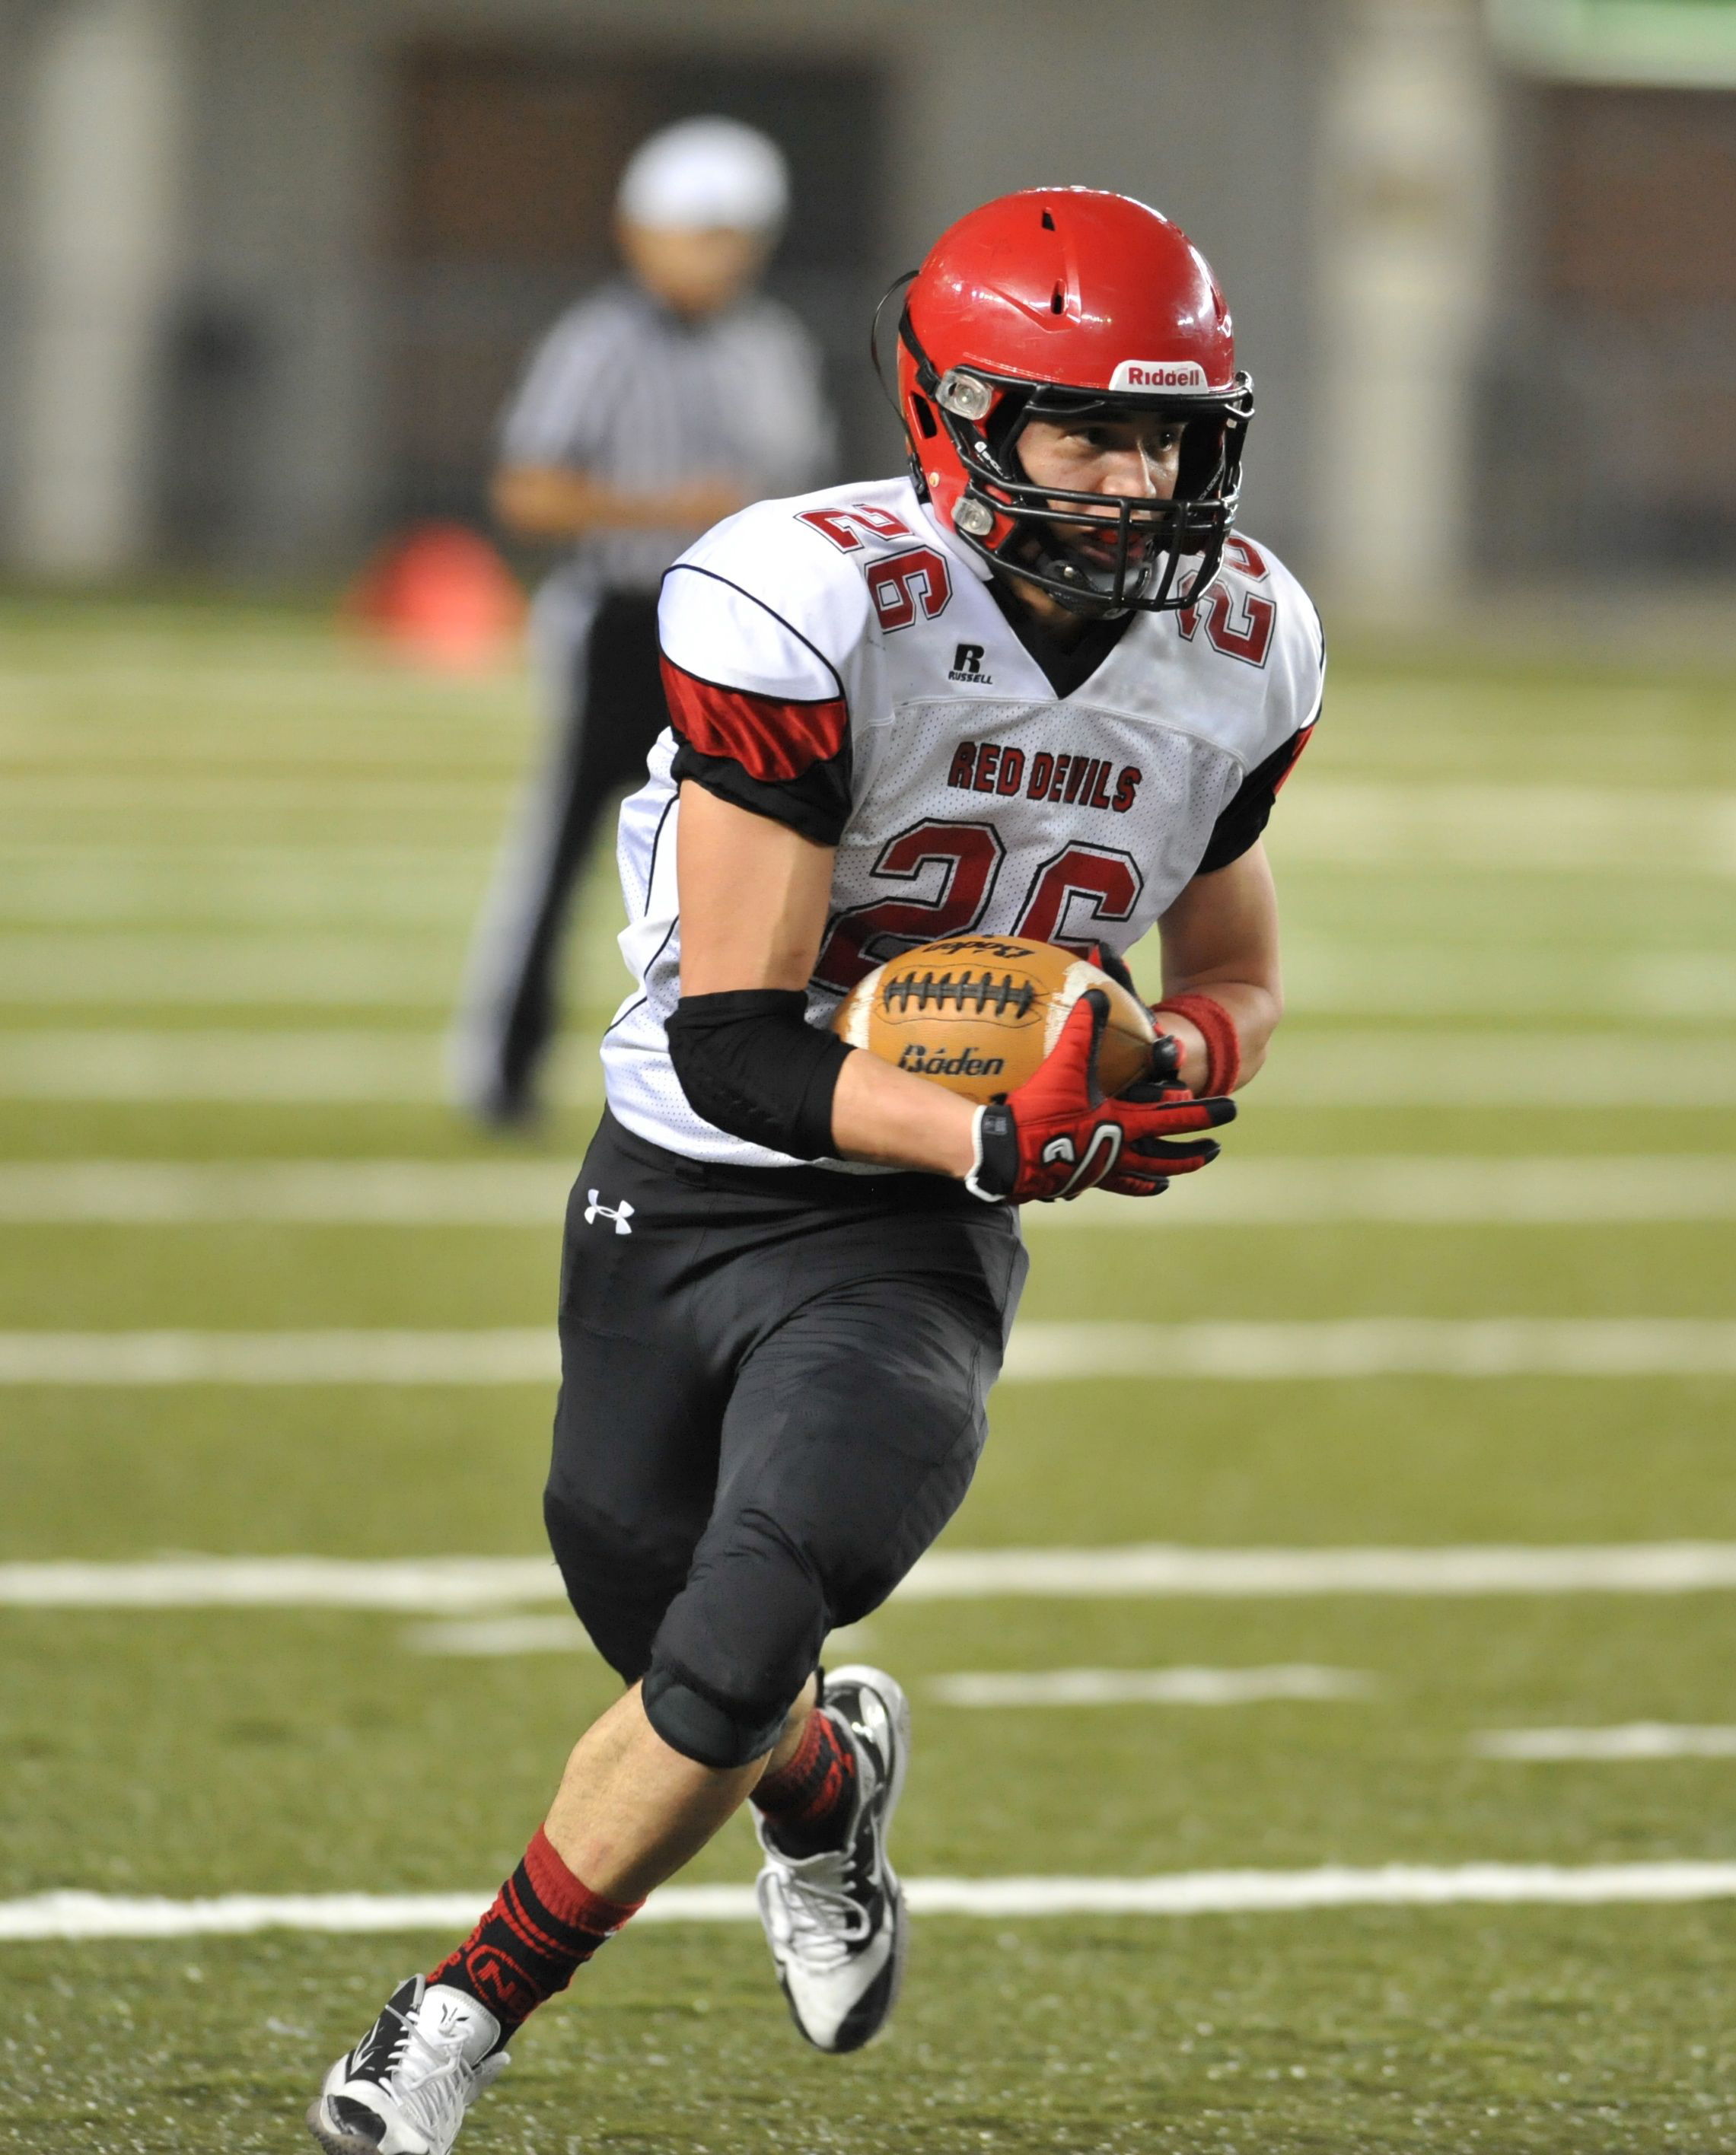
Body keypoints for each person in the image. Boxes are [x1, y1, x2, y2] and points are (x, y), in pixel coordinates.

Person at [307, 186, 1325, 2155]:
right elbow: (740, 1040)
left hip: (911, 1238)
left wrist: (1177, 1057)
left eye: (1168, 437)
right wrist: (1002, 1119)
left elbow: (1235, 971)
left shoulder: (1245, 643)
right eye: (1085, 431)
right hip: (692, 1166)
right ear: (956, 415)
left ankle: (454, 2015)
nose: (1135, 484)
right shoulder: (809, 596)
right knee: (657, 1610)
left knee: (735, 1631)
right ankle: (824, 1792)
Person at [450, 116, 836, 1128]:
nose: (715, 257)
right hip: (624, 620)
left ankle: (740, 1074)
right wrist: (665, 509)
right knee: (560, 850)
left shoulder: (770, 345)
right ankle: (503, 1069)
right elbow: (528, 490)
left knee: (751, 854)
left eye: (731, 236)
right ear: (641, 233)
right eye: (697, 233)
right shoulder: (598, 342)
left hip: (745, 633)